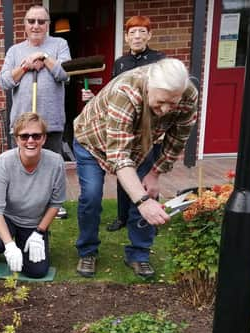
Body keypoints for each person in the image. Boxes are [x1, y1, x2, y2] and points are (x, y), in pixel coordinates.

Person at [73, 58, 198, 279]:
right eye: (161, 102)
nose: (165, 110)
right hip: (91, 142)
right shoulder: (126, 92)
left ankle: (139, 254)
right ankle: (87, 251)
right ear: (149, 86)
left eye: (172, 103)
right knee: (91, 197)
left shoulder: (188, 95)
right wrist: (142, 201)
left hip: (141, 145)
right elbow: (119, 156)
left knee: (150, 192)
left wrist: (155, 173)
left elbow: (178, 137)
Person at [0, 5, 70, 219]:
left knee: (53, 163)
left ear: (48, 25)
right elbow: (4, 81)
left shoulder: (59, 44)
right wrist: (26, 66)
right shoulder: (15, 51)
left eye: (41, 21)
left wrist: (44, 57)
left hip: (52, 119)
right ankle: (21, 204)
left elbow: (66, 73)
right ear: (25, 26)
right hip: (22, 122)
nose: (36, 25)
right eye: (32, 21)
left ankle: (55, 204)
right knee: (20, 164)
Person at [0, 112, 66, 278]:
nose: (31, 141)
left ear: (44, 138)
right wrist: (9, 245)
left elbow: (56, 203)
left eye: (36, 136)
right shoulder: (4, 162)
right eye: (24, 136)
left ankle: (26, 239)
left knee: (37, 272)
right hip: (6, 216)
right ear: (16, 139)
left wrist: (40, 232)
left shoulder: (56, 163)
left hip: (33, 221)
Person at [104, 16, 166, 232]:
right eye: (132, 32)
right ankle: (122, 216)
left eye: (141, 31)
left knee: (148, 174)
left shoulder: (159, 60)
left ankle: (150, 218)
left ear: (149, 35)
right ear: (127, 37)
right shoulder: (121, 63)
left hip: (152, 129)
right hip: (128, 129)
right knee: (125, 172)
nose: (137, 36)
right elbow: (114, 92)